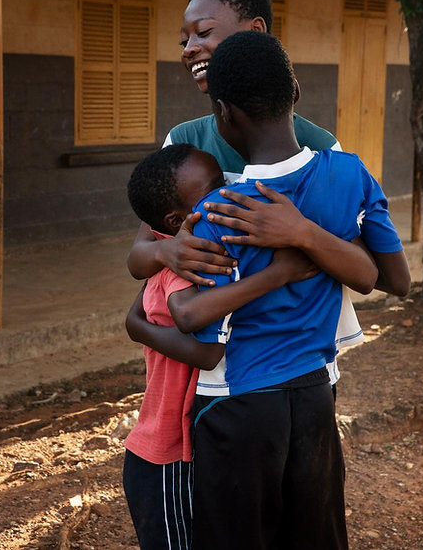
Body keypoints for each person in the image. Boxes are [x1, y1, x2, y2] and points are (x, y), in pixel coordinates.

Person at [125, 0, 410, 384]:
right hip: (215, 375)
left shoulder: (322, 151)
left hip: (301, 364)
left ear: (255, 30)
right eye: (183, 40)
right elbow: (138, 257)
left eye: (203, 32)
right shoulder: (185, 144)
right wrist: (166, 254)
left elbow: (375, 272)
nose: (190, 48)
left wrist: (300, 232)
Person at [183, 31, 405, 549]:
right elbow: (395, 279)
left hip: (235, 404)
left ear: (223, 113)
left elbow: (198, 327)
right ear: (296, 94)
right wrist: (313, 236)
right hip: (314, 396)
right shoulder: (352, 175)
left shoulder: (220, 213)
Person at [121, 143, 327, 550]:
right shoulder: (188, 262)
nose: (229, 187)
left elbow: (137, 315)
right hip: (169, 452)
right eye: (215, 186)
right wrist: (277, 274)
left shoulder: (175, 255)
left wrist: (136, 325)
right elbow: (206, 350)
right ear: (177, 220)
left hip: (187, 443)